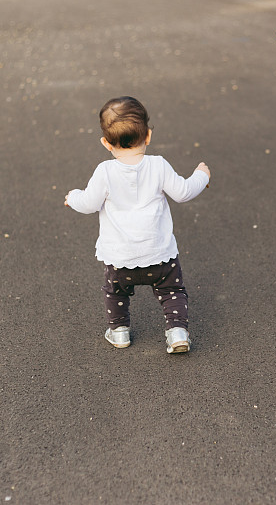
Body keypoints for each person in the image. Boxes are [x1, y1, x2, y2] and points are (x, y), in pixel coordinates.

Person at [65, 96, 211, 353]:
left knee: (115, 292)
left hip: (120, 259)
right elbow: (184, 192)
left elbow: (88, 203)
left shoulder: (105, 172)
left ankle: (119, 331)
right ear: (148, 136)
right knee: (172, 292)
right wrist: (202, 174)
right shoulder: (158, 165)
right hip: (160, 256)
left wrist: (72, 196)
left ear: (106, 143)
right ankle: (178, 332)